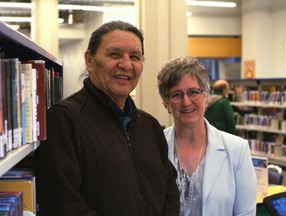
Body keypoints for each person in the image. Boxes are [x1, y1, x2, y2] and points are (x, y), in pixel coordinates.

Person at [35, 20, 180, 216]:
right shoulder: (64, 119)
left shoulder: (150, 126)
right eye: (114, 54)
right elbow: (63, 203)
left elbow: (169, 190)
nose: (126, 64)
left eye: (135, 57)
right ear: (89, 61)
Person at [157, 56, 257, 216]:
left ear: (206, 96)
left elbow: (245, 213)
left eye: (193, 92)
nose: (186, 102)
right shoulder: (154, 146)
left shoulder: (237, 150)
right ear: (166, 102)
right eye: (176, 95)